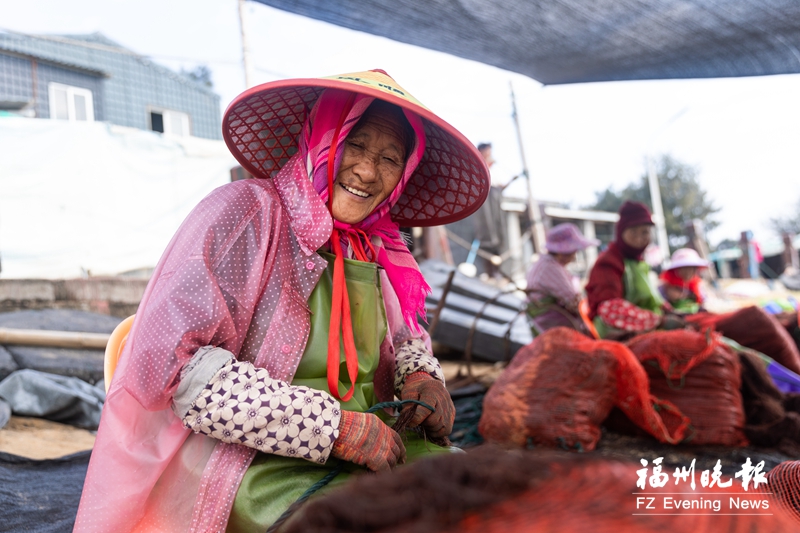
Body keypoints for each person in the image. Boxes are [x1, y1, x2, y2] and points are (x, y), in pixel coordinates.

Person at [74, 69, 490, 532]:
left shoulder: (378, 245)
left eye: (390, 158)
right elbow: (179, 373)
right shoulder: (245, 212)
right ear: (320, 136)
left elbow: (407, 335)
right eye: (355, 143)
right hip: (248, 465)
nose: (368, 171)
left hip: (374, 446)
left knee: (487, 495)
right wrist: (330, 428)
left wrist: (422, 374)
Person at [525, 223, 599, 334]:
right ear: (562, 253)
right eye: (573, 252)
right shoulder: (550, 268)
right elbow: (574, 301)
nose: (574, 257)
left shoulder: (544, 263)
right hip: (551, 324)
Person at [659, 248, 709, 314]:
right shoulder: (665, 287)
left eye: (692, 268)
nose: (688, 272)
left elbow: (703, 302)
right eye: (684, 268)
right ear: (675, 270)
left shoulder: (697, 286)